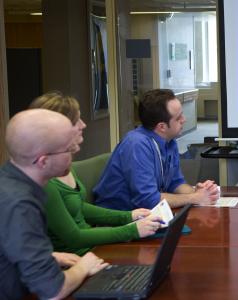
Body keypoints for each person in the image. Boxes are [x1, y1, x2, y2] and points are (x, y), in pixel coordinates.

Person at [29, 91, 163, 256]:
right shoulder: (45, 180)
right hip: (77, 257)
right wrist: (131, 230)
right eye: (76, 121)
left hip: (93, 249)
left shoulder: (64, 165)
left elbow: (78, 207)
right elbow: (74, 237)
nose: (83, 125)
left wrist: (128, 216)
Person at [0, 109, 108, 299]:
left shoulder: (8, 180)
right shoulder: (20, 204)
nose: (76, 151)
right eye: (69, 149)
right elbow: (53, 291)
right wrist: (84, 266)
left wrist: (50, 257)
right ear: (43, 161)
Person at [94, 89, 219, 210]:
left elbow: (175, 183)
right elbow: (148, 200)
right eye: (178, 117)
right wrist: (194, 198)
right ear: (162, 127)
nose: (184, 120)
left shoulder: (169, 141)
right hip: (119, 218)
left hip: (147, 214)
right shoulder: (137, 145)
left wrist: (199, 192)